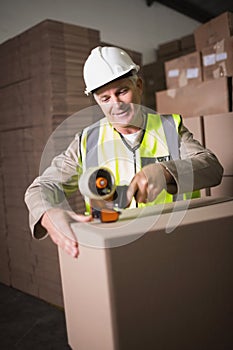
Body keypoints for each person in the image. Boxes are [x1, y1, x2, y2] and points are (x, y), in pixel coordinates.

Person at [24, 46, 223, 258]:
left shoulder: (170, 128)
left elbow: (212, 168)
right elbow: (42, 187)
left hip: (177, 246)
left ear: (138, 86)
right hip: (119, 255)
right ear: (97, 101)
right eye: (105, 98)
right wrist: (47, 213)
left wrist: (165, 171)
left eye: (122, 91)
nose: (116, 105)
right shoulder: (87, 141)